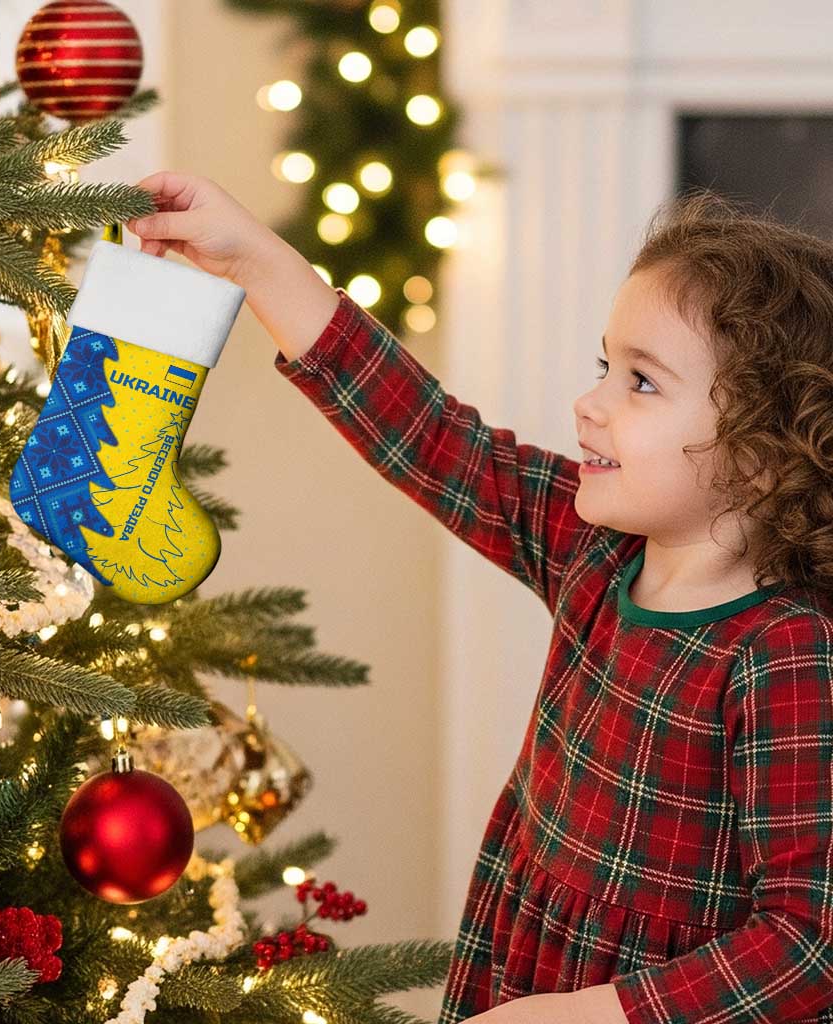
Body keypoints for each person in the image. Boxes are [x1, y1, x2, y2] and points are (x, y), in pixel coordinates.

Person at [126, 173, 833, 1024]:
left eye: (640, 383)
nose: (591, 403)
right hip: (524, 963)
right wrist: (261, 263)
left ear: (764, 454)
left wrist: (587, 1016)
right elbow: (431, 436)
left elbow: (807, 942)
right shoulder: (595, 552)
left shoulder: (787, 653)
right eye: (606, 367)